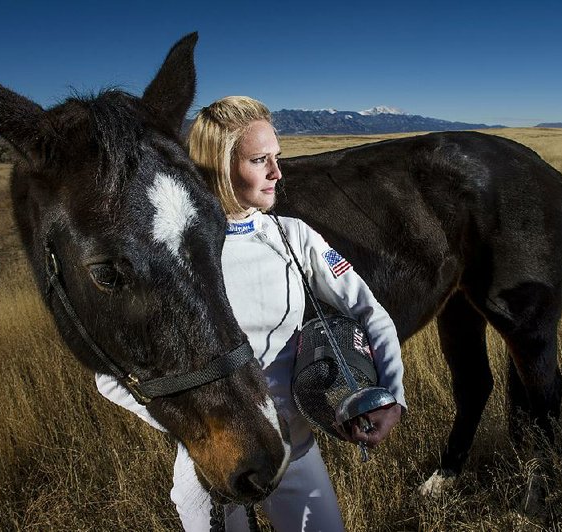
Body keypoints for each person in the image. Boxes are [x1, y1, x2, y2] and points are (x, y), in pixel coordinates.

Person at [96, 96, 406, 531]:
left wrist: (392, 396)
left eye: (277, 158)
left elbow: (370, 313)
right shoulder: (172, 255)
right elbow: (107, 375)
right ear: (221, 165)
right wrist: (193, 430)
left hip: (295, 453)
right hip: (216, 470)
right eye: (260, 160)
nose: (277, 173)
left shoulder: (294, 237)